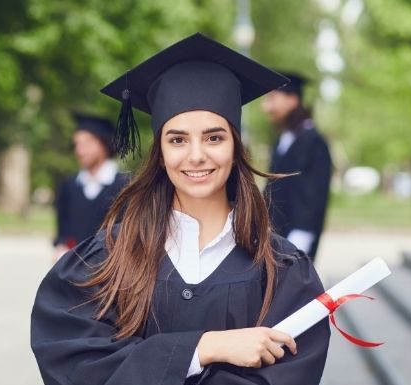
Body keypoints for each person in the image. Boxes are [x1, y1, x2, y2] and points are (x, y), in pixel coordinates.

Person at [31, 33, 330, 385]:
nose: (196, 155)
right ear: (160, 153)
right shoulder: (109, 256)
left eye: (214, 137)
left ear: (236, 147)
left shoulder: (282, 270)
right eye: (177, 139)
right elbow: (76, 363)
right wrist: (202, 348)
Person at [261, 72, 332, 261]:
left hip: (295, 240)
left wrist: (301, 238)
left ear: (292, 100)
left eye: (272, 98)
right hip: (275, 237)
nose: (266, 106)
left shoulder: (312, 142)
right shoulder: (283, 140)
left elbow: (314, 195)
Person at [53, 113, 129, 260]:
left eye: (86, 144)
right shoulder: (70, 186)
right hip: (74, 267)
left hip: (112, 269)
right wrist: (61, 247)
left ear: (103, 144)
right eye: (77, 144)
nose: (79, 151)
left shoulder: (126, 186)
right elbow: (63, 231)